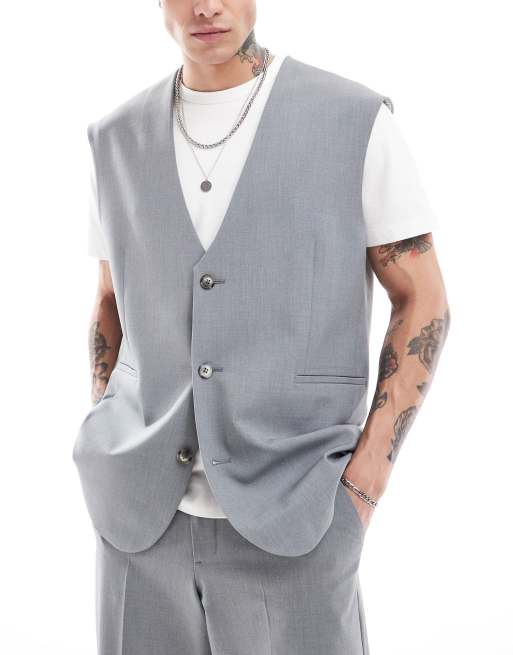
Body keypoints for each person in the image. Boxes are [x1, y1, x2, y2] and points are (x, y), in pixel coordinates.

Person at [74, 1, 450, 653]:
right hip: (138, 528)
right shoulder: (115, 137)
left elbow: (423, 301)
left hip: (297, 522)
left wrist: (362, 486)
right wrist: (110, 433)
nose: (206, 6)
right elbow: (111, 300)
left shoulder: (353, 120)